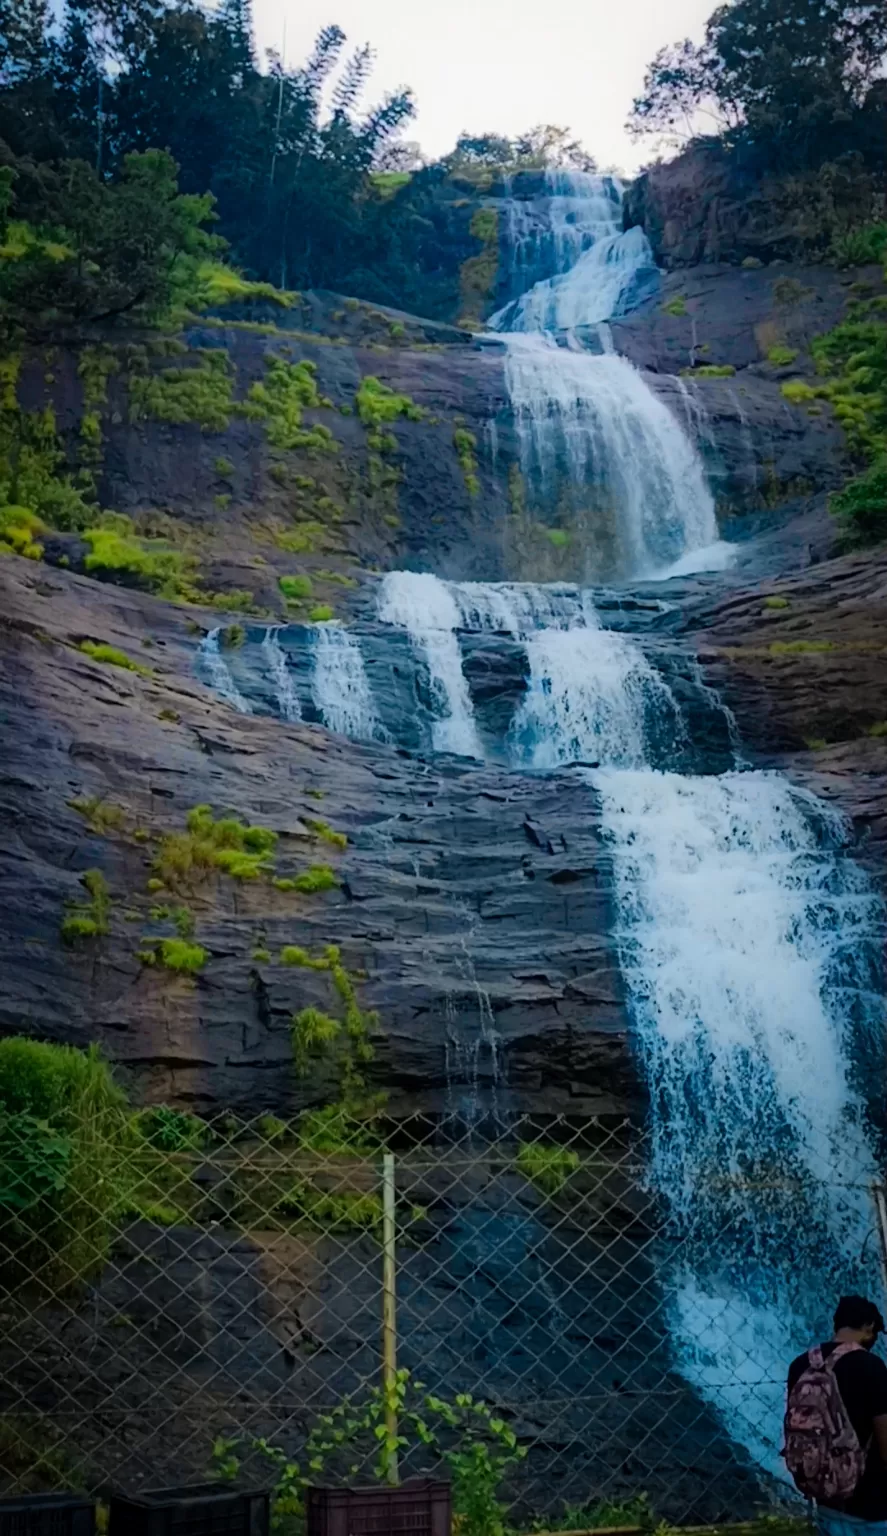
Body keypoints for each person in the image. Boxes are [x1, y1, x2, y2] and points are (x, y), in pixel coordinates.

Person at [787, 1296, 887, 1536]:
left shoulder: (801, 1365)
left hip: (826, 1500)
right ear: (869, 1327)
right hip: (871, 1510)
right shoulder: (871, 1366)